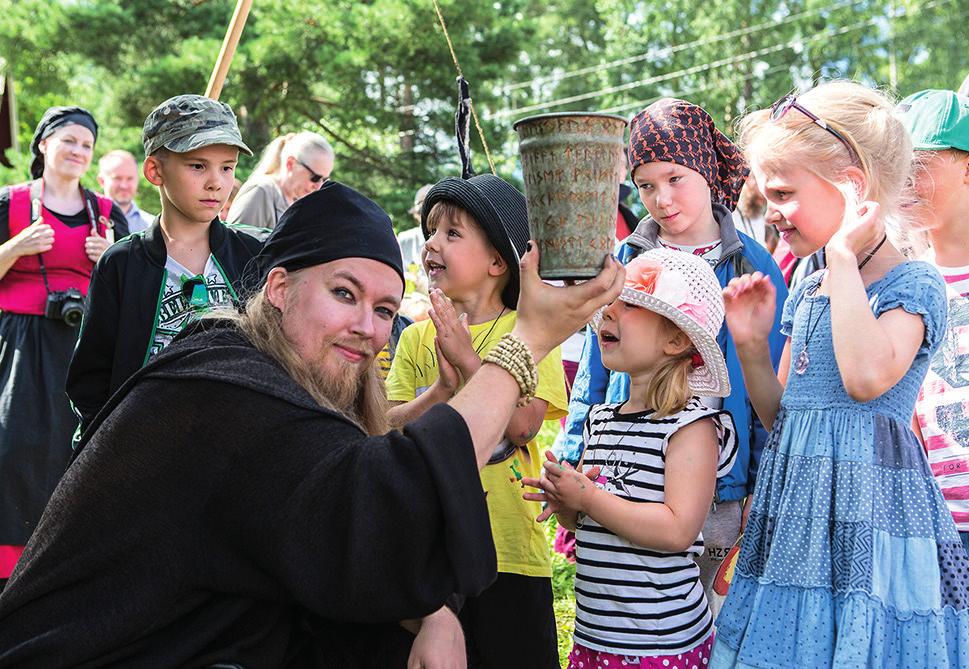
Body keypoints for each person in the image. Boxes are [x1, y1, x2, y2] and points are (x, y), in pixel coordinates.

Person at [0, 180, 626, 668]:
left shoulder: (261, 378)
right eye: (344, 294)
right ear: (277, 287)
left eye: (385, 308)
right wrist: (531, 339)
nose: (368, 326)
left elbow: (334, 526)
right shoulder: (221, 389)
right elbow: (382, 499)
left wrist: (429, 611)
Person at [711, 81, 969, 668]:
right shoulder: (808, 281)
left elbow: (866, 377)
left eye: (783, 191)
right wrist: (751, 348)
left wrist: (846, 261)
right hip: (798, 512)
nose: (770, 211)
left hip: (870, 513)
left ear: (852, 188)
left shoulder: (913, 284)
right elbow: (786, 413)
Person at [558, 98, 788, 615]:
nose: (661, 199)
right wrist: (576, 451)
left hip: (719, 487)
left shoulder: (753, 267)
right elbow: (595, 368)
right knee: (626, 603)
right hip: (624, 471)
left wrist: (763, 487)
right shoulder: (624, 260)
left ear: (707, 168)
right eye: (645, 185)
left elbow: (766, 387)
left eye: (675, 178)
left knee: (704, 614)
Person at [385, 175, 569, 668]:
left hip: (508, 550)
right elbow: (390, 427)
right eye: (431, 232)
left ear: (496, 263)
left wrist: (470, 367)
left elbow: (525, 426)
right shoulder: (414, 339)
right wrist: (443, 391)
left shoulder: (527, 330)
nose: (431, 243)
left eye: (452, 234)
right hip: (430, 546)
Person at [526, 249, 738, 668]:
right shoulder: (601, 420)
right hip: (596, 635)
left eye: (629, 306)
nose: (608, 313)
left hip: (660, 644)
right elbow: (593, 520)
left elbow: (678, 530)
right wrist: (569, 506)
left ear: (676, 339)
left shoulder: (692, 427)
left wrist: (588, 498)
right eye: (610, 304)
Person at [66, 95, 262, 442]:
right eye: (198, 166)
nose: (216, 182)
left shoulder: (253, 255)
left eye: (227, 167)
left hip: (235, 444)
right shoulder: (122, 263)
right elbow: (90, 377)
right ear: (155, 171)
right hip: (143, 445)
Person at [0, 106, 127, 586]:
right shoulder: (9, 203)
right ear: (44, 145)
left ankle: (62, 566)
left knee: (72, 453)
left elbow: (128, 292)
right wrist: (15, 248)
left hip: (82, 349)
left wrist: (111, 258)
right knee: (13, 451)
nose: (78, 151)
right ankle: (7, 568)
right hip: (16, 350)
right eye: (69, 140)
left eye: (86, 145)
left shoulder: (107, 216)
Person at [897, 89, 969, 555]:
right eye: (899, 173)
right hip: (937, 523)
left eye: (919, 168)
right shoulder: (904, 285)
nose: (906, 185)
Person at [226, 131, 334, 233]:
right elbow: (235, 248)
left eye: (324, 180)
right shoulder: (260, 192)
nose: (319, 186)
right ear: (290, 163)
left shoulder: (299, 202)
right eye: (315, 177)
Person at [97, 149, 154, 234]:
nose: (124, 186)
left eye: (130, 178)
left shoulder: (152, 226)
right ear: (101, 181)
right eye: (117, 178)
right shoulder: (88, 220)